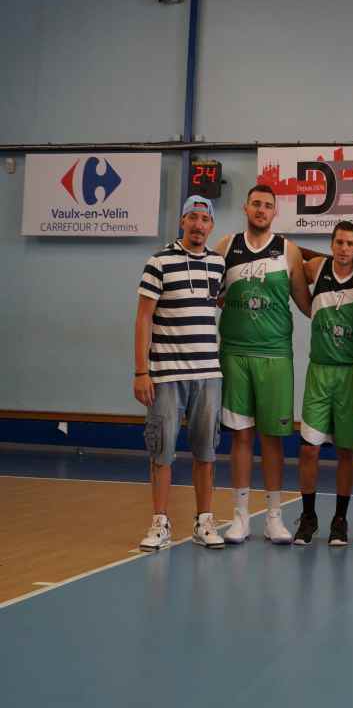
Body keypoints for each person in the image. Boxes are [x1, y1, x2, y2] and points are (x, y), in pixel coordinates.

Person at [215, 185, 311, 545]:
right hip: (235, 354)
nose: (261, 209)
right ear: (245, 207)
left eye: (267, 205)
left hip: (275, 356)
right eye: (255, 203)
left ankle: (273, 517)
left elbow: (306, 304)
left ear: (274, 212)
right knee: (241, 436)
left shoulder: (288, 250)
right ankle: (240, 517)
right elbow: (213, 295)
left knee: (272, 438)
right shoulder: (226, 247)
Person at [135, 195, 226, 551]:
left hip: (208, 375)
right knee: (162, 451)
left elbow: (218, 304)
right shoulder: (158, 262)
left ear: (211, 226)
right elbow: (143, 317)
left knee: (206, 452)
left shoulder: (218, 265)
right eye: (193, 217)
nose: (199, 224)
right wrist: (141, 372)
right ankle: (159, 523)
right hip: (166, 376)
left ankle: (204, 522)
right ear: (182, 221)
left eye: (205, 219)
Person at [293, 221, 353, 546]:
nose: (344, 248)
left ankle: (340, 519)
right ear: (331, 244)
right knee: (308, 448)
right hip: (320, 370)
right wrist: (307, 306)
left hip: (351, 372)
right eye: (339, 242)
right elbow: (288, 269)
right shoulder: (316, 267)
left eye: (350, 243)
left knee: (346, 450)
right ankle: (308, 516)